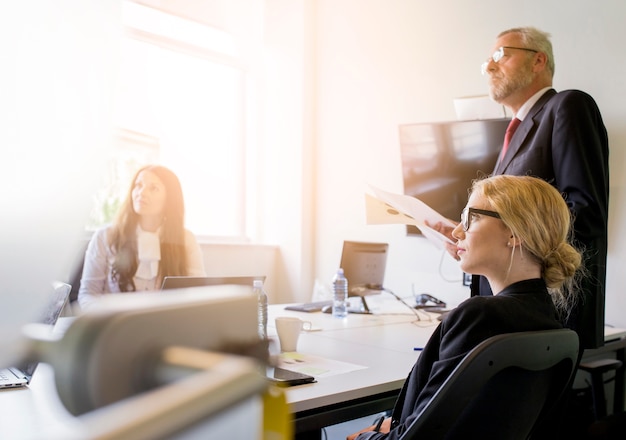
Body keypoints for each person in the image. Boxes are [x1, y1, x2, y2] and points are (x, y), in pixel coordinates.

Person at [348, 174, 583, 440]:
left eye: (471, 218)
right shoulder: (548, 319)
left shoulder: (479, 316)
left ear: (516, 233)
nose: (458, 232)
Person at [433, 26, 608, 350]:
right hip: (501, 310)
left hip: (546, 311)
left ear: (538, 60)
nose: (490, 66)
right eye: (488, 60)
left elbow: (585, 211)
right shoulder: (512, 134)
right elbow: (508, 218)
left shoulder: (567, 107)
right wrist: (467, 234)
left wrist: (512, 231)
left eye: (502, 55)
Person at [78, 165, 206, 310]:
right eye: (138, 185)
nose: (141, 193)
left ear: (170, 198)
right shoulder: (105, 237)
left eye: (153, 188)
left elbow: (198, 295)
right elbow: (88, 295)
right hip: (116, 327)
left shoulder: (186, 240)